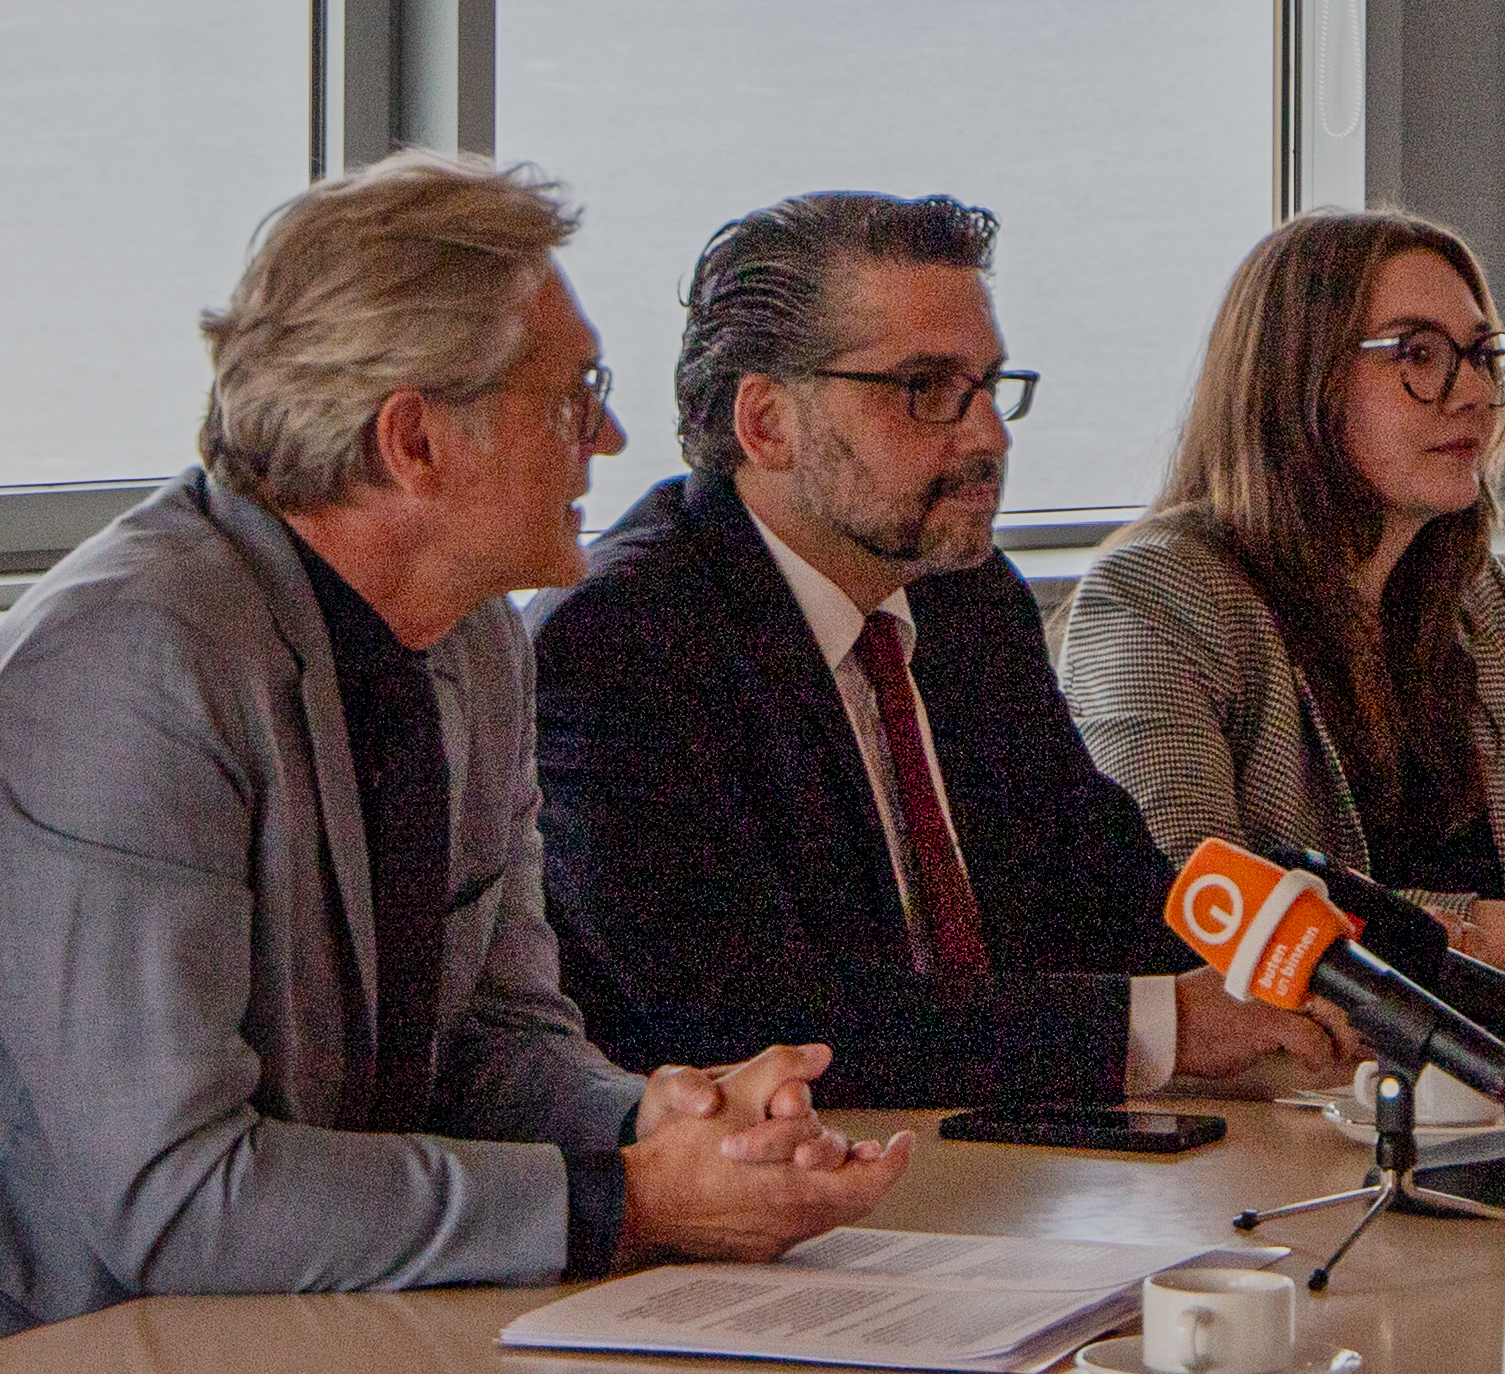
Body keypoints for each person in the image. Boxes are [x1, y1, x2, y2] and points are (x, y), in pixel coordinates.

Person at [0, 154, 908, 1372]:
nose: (607, 435)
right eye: (572, 396)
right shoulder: (131, 664)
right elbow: (181, 1196)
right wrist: (628, 1200)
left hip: (254, 1328)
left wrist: (661, 1119)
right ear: (413, 442)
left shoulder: (478, 634)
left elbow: (487, 1044)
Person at [532, 193, 1350, 1109]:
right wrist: (1164, 1026)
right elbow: (742, 1015)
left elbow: (1110, 890)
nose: (988, 436)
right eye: (928, 391)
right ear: (766, 424)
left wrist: (1342, 977)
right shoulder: (623, 641)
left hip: (991, 1168)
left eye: (989, 389)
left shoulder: (963, 597)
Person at [1059, 210, 1505, 979]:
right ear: (1297, 379)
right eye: (1419, 354)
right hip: (1296, 1079)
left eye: (1479, 355)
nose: (1472, 390)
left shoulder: (1466, 593)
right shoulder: (1155, 596)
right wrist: (1501, 936)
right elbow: (1192, 902)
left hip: (1495, 1056)